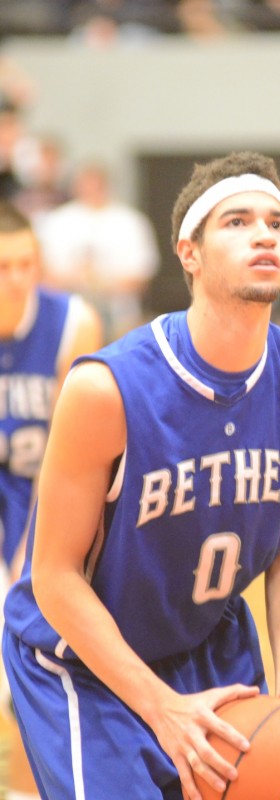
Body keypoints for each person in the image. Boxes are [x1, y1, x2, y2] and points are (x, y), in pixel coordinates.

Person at [2, 151, 280, 800]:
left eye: (277, 223)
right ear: (188, 252)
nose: (265, 233)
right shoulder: (109, 388)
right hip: (82, 660)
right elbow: (52, 576)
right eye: (237, 221)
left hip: (210, 647)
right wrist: (159, 706)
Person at [0, 201, 102, 799]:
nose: (17, 278)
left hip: (41, 497)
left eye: (26, 264)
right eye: (3, 266)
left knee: (29, 673)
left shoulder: (73, 322)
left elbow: (73, 460)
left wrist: (33, 552)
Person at [38, 161, 160, 342]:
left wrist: (101, 282)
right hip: (64, 318)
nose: (91, 189)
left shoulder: (131, 221)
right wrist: (78, 279)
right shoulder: (56, 221)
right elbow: (43, 274)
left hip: (120, 318)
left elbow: (142, 275)